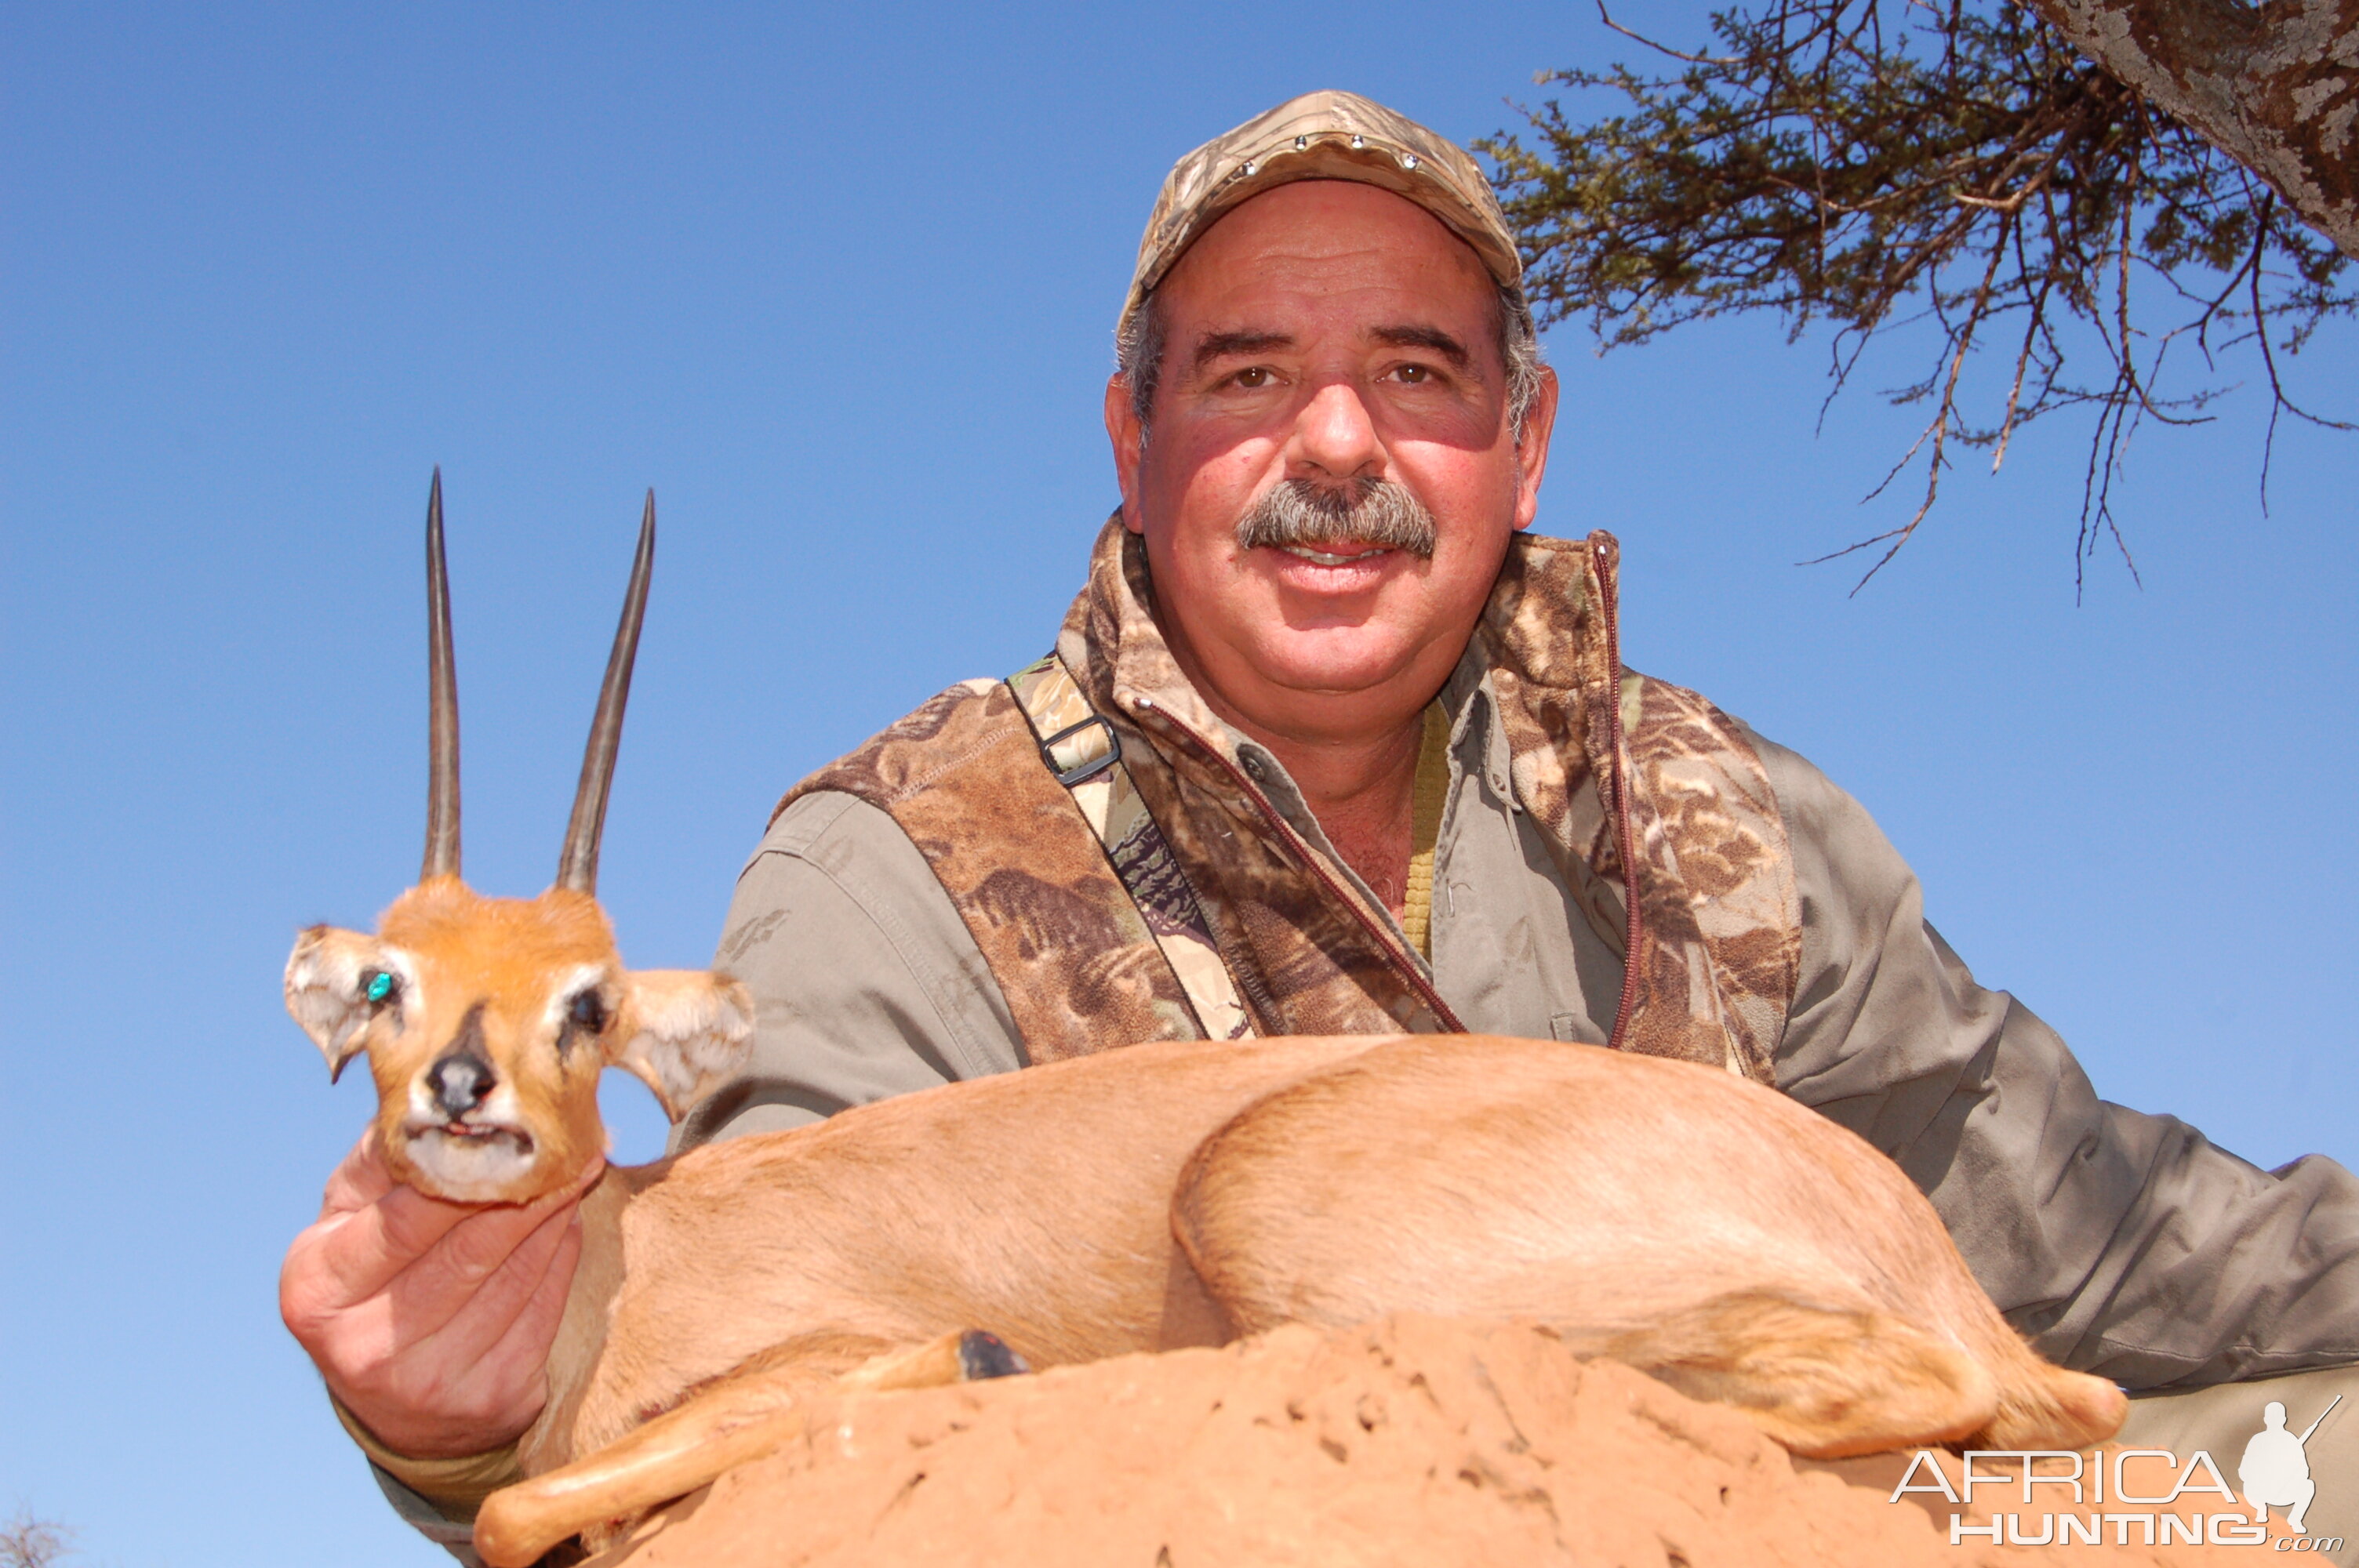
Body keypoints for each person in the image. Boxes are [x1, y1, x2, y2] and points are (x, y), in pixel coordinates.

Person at [282, 90, 2359, 1560]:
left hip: (1949, 1459)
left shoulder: (1713, 811)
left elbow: (2104, 1243)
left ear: (1521, 443)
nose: (1337, 441)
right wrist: (441, 1428)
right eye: (1254, 374)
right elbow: (776, 1354)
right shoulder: (905, 850)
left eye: (1418, 372)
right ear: (1138, 431)